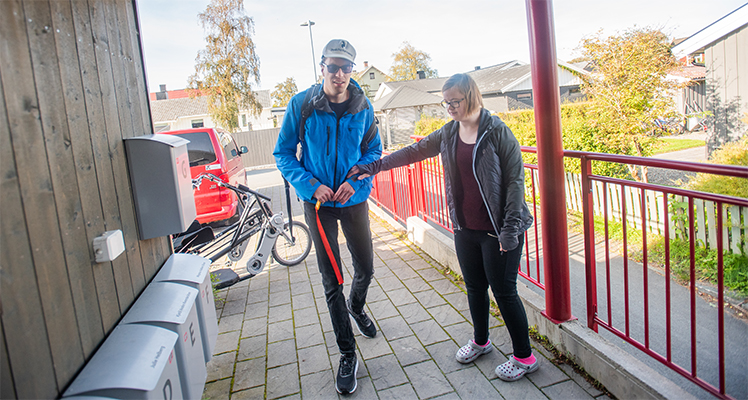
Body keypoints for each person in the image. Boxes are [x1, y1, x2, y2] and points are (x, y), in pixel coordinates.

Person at [347, 73, 538, 381]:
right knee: (475, 288)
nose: (449, 107)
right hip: (465, 228)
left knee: (504, 292)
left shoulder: (498, 132)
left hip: (499, 229)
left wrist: (510, 229)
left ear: (471, 97)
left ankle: (524, 357)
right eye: (445, 102)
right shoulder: (449, 132)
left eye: (455, 101)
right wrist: (374, 166)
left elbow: (516, 183)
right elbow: (413, 152)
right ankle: (481, 341)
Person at [273, 38, 382, 394]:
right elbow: (284, 153)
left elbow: (374, 151)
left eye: (346, 68)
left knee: (365, 268)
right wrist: (310, 184)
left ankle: (357, 305)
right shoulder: (301, 104)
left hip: (353, 201)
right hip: (318, 205)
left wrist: (355, 180)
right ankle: (347, 353)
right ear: (322, 66)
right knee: (331, 278)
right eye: (332, 67)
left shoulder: (363, 106)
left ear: (353, 70)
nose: (339, 74)